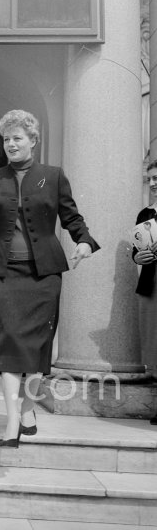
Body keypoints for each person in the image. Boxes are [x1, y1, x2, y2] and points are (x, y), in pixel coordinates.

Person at [0, 109, 99, 447]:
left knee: (37, 348)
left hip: (43, 275)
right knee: (9, 343)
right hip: (5, 274)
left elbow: (72, 217)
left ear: (32, 140)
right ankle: (13, 418)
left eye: (17, 138)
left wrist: (84, 241)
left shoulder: (53, 176)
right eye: (6, 139)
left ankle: (28, 405)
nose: (10, 144)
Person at [132, 160, 157, 425]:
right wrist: (139, 258)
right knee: (154, 343)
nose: (153, 183)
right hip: (152, 284)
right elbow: (135, 251)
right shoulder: (145, 215)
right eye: (149, 179)